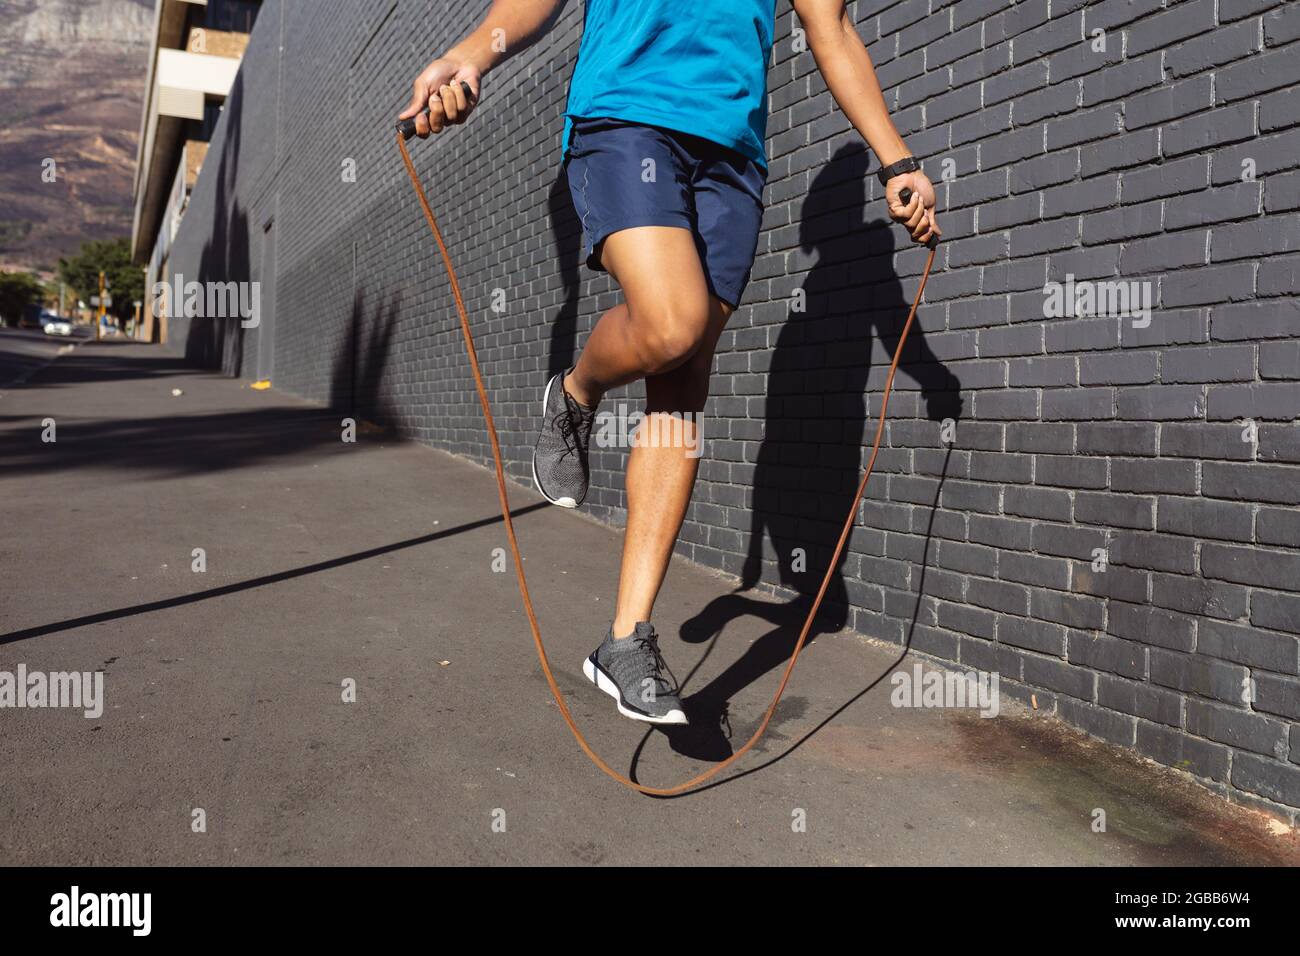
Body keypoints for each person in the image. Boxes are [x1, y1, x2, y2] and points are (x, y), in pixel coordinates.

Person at [400, 0, 939, 726]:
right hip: (628, 116)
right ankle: (577, 389)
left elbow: (829, 24)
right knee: (671, 322)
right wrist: (473, 53)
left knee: (682, 389)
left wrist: (895, 158)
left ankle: (626, 638)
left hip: (732, 153)